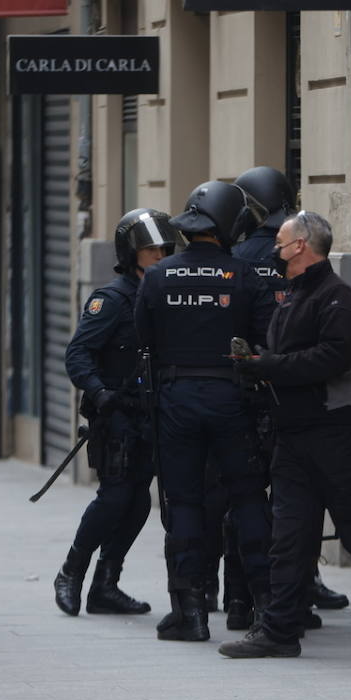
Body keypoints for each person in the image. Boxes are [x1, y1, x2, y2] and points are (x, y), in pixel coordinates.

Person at [219, 211, 351, 658]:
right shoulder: (292, 297)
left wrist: (266, 367)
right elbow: (288, 355)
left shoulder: (339, 301)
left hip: (334, 432)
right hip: (293, 433)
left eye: (283, 244)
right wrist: (256, 366)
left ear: (303, 246)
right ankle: (280, 631)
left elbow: (327, 360)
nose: (275, 251)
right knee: (289, 535)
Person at [134, 180, 274, 642]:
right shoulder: (246, 275)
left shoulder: (157, 276)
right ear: (231, 222)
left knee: (185, 502)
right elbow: (265, 341)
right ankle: (263, 608)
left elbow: (144, 342)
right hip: (233, 399)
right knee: (250, 498)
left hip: (175, 400)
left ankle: (189, 612)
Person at [233, 166, 349, 621]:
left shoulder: (240, 254)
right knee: (300, 500)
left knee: (247, 497)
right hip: (299, 391)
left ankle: (243, 597)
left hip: (253, 384)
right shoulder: (306, 262)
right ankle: (302, 587)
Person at [53, 209, 180, 618]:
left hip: (152, 414)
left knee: (140, 502)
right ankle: (71, 571)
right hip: (117, 415)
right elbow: (78, 353)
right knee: (115, 497)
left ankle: (106, 584)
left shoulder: (163, 294)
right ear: (131, 253)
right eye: (150, 249)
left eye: (164, 247)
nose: (159, 254)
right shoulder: (111, 299)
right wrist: (99, 392)